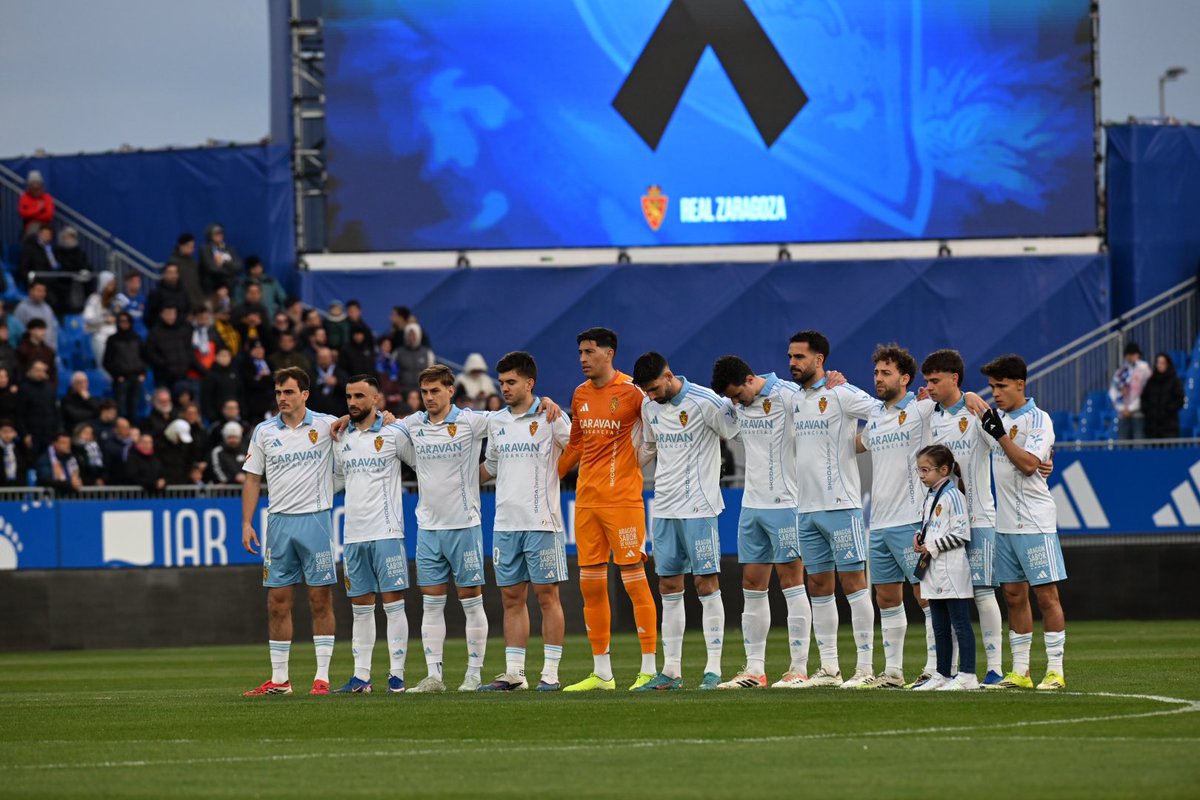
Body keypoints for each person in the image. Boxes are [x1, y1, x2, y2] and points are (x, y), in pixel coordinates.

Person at [557, 328, 659, 692]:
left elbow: (655, 436)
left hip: (624, 502)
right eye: (580, 352)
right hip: (586, 502)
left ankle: (649, 668)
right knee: (591, 588)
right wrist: (549, 480)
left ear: (609, 353)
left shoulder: (633, 393)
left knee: (634, 583)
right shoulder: (580, 394)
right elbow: (576, 445)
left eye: (589, 351)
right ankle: (602, 673)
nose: (582, 358)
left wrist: (636, 465)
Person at [632, 352, 739, 691]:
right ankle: (672, 671)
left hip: (699, 508)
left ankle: (713, 669)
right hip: (663, 509)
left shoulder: (705, 401)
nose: (649, 396)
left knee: (706, 585)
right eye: (645, 391)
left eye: (652, 388)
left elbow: (736, 428)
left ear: (668, 376)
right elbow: (649, 448)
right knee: (668, 586)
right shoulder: (650, 408)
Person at [786, 330, 878, 687]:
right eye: (790, 356)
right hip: (806, 509)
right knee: (819, 585)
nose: (792, 363)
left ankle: (866, 670)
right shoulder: (794, 399)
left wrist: (860, 442)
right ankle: (829, 668)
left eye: (799, 357)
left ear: (819, 360)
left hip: (841, 505)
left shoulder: (842, 393)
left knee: (854, 583)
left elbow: (883, 413)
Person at [393, 365, 492, 693]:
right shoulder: (413, 424)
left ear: (451, 390)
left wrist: (543, 404)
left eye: (435, 391)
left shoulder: (471, 421)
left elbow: (508, 422)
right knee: (431, 604)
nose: (429, 397)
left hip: (464, 525)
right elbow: (381, 425)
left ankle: (473, 674)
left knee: (471, 601)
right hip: (428, 529)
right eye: (425, 392)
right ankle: (434, 676)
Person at [241, 367, 339, 696]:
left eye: (289, 392)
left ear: (305, 395)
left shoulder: (327, 425)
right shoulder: (265, 431)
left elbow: (363, 427)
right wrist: (247, 523)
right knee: (276, 602)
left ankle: (322, 678)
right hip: (279, 522)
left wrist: (384, 415)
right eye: (279, 392)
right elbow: (253, 478)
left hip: (316, 520)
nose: (282, 398)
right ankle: (280, 680)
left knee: (319, 600)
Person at [478, 352, 571, 692]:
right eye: (501, 382)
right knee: (511, 598)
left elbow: (577, 450)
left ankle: (551, 673)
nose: (505, 388)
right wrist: (446, 480)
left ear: (529, 383)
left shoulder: (551, 416)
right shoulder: (496, 422)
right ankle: (515, 673)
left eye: (511, 382)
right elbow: (490, 468)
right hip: (505, 524)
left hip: (542, 523)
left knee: (548, 596)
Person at [846, 345, 933, 689]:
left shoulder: (922, 408)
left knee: (926, 596)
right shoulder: (876, 416)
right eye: (876, 373)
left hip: (912, 520)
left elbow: (955, 401)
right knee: (886, 597)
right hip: (878, 523)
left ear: (905, 378)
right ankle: (894, 672)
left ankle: (936, 667)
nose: (878, 379)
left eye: (886, 373)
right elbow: (854, 444)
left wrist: (970, 396)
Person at [978, 354, 1067, 690]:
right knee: (1014, 596)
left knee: (1047, 597)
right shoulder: (994, 418)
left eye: (1001, 386)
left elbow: (1029, 464)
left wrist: (1001, 435)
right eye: (991, 387)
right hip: (1004, 524)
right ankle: (1021, 672)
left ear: (1020, 384)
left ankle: (1056, 671)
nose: (996, 393)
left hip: (1035, 522)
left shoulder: (1038, 419)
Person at [922, 349, 1009, 687]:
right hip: (945, 525)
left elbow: (1003, 445)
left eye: (934, 381)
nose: (928, 387)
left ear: (954, 379)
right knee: (947, 597)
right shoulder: (932, 417)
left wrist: (1045, 457)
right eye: (926, 381)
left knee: (983, 593)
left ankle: (995, 668)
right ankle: (950, 671)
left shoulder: (976, 412)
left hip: (980, 518)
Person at [330, 375, 411, 694]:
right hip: (353, 535)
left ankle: (397, 675)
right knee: (360, 608)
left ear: (376, 399)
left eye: (360, 396)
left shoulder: (394, 433)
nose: (352, 402)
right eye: (349, 396)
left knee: (394, 604)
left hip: (387, 531)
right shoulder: (340, 437)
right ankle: (361, 677)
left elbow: (422, 466)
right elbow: (337, 480)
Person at [911, 445, 978, 691]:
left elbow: (961, 534)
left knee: (960, 623)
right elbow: (931, 525)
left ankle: (968, 674)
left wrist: (932, 546)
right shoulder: (930, 495)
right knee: (939, 625)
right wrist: (919, 536)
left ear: (944, 470)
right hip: (932, 569)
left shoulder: (953, 496)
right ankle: (942, 673)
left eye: (926, 470)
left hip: (951, 568)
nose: (921, 475)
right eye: (919, 470)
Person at [104, 313, 148, 421]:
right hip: (121, 379)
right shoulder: (112, 339)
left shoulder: (137, 338)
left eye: (126, 321)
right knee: (120, 409)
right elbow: (106, 361)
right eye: (121, 321)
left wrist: (143, 373)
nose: (124, 324)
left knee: (134, 408)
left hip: (136, 378)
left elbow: (145, 357)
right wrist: (116, 375)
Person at [146, 306, 198, 394]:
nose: (170, 317)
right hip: (163, 376)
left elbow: (189, 350)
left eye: (173, 313)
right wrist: (163, 364)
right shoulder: (155, 331)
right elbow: (150, 352)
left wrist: (186, 364)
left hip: (182, 374)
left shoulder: (183, 329)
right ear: (161, 314)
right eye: (167, 314)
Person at [1110, 343, 1152, 440]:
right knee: (1124, 442)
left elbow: (1146, 391)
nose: (1131, 357)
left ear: (1138, 355)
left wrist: (1132, 408)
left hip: (1139, 413)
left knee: (1139, 441)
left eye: (1134, 354)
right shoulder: (1120, 371)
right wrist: (1121, 408)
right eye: (1129, 354)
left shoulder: (1144, 369)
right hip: (1123, 413)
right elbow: (1113, 391)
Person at [1142, 353, 1185, 439]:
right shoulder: (1151, 382)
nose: (1160, 365)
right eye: (1158, 362)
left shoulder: (1175, 381)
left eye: (1163, 363)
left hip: (1169, 427)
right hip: (1152, 427)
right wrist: (1149, 412)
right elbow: (1144, 399)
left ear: (1168, 364)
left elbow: (1180, 400)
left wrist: (1167, 410)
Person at [19, 361, 58, 454]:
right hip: (33, 433)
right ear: (30, 371)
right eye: (37, 370)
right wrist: (25, 434)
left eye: (42, 370)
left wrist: (57, 430)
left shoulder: (49, 388)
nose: (40, 373)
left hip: (49, 432)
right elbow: (20, 414)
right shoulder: (24, 389)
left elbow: (55, 410)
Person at [82, 271, 119, 368]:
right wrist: (104, 319)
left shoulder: (116, 300)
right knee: (104, 366)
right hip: (99, 337)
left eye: (113, 284)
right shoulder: (94, 299)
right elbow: (87, 318)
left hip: (115, 337)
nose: (112, 286)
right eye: (110, 283)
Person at [15, 282, 59, 351]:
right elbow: (19, 333)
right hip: (30, 353)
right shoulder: (22, 308)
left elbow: (52, 330)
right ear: (31, 291)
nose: (41, 294)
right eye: (39, 291)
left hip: (48, 351)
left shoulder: (47, 308)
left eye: (43, 291)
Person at [167, 233, 206, 311]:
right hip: (183, 304)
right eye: (189, 246)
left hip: (197, 303)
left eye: (192, 247)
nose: (192, 249)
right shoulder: (174, 263)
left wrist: (201, 300)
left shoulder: (192, 263)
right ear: (181, 246)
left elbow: (196, 284)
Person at [240, 340, 276, 423]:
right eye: (256, 349)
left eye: (261, 349)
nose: (259, 351)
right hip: (254, 404)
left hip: (271, 402)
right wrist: (266, 378)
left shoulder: (269, 362)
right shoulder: (246, 364)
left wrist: (261, 377)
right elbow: (251, 383)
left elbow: (275, 380)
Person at [200, 224, 242, 293]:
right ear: (210, 235)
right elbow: (212, 268)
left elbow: (239, 265)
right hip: (213, 287)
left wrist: (224, 263)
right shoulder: (205, 250)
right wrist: (230, 271)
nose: (219, 235)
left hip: (229, 287)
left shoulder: (229, 249)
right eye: (216, 233)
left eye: (221, 233)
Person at [395, 323, 435, 394]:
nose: (411, 337)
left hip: (422, 392)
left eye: (413, 335)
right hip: (403, 391)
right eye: (409, 335)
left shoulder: (427, 353)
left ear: (418, 335)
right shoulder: (398, 353)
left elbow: (431, 374)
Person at [308, 347, 348, 416]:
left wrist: (336, 383)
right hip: (316, 413)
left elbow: (348, 389)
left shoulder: (340, 373)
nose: (323, 361)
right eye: (320, 358)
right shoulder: (310, 373)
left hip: (337, 412)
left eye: (325, 358)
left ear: (331, 358)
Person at [16, 319, 58, 384]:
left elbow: (53, 372)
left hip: (46, 387)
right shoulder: (22, 350)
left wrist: (52, 386)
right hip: (28, 387)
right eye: (40, 329)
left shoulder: (49, 351)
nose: (43, 332)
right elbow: (19, 370)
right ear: (31, 330)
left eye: (44, 329)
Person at [209, 421, 248, 485]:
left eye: (235, 437)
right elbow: (217, 470)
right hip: (225, 491)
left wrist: (246, 477)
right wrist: (233, 479)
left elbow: (253, 467)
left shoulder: (246, 450)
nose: (233, 440)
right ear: (225, 438)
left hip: (246, 487)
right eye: (230, 437)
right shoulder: (218, 451)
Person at [0, 420, 32, 487]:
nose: (7, 435)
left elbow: (29, 463)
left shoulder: (20, 449)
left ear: (14, 433)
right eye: (4, 431)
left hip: (18, 487)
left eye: (10, 431)